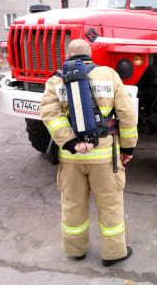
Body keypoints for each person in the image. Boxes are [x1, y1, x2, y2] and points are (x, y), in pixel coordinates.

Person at [40, 39, 138, 266]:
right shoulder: (109, 74)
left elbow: (49, 115)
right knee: (110, 205)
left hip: (72, 158)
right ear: (90, 55)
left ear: (67, 56)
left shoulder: (55, 80)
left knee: (73, 205)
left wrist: (71, 142)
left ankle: (76, 250)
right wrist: (128, 147)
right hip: (105, 157)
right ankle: (113, 253)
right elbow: (126, 114)